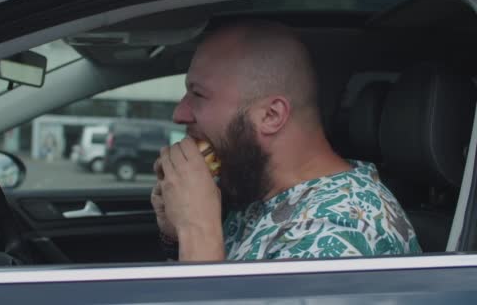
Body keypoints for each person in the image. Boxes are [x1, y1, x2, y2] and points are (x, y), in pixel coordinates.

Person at [151, 20, 421, 262]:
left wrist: (198, 230)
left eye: (198, 94)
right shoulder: (261, 192)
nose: (179, 113)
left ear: (271, 115)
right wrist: (177, 236)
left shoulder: (338, 235)